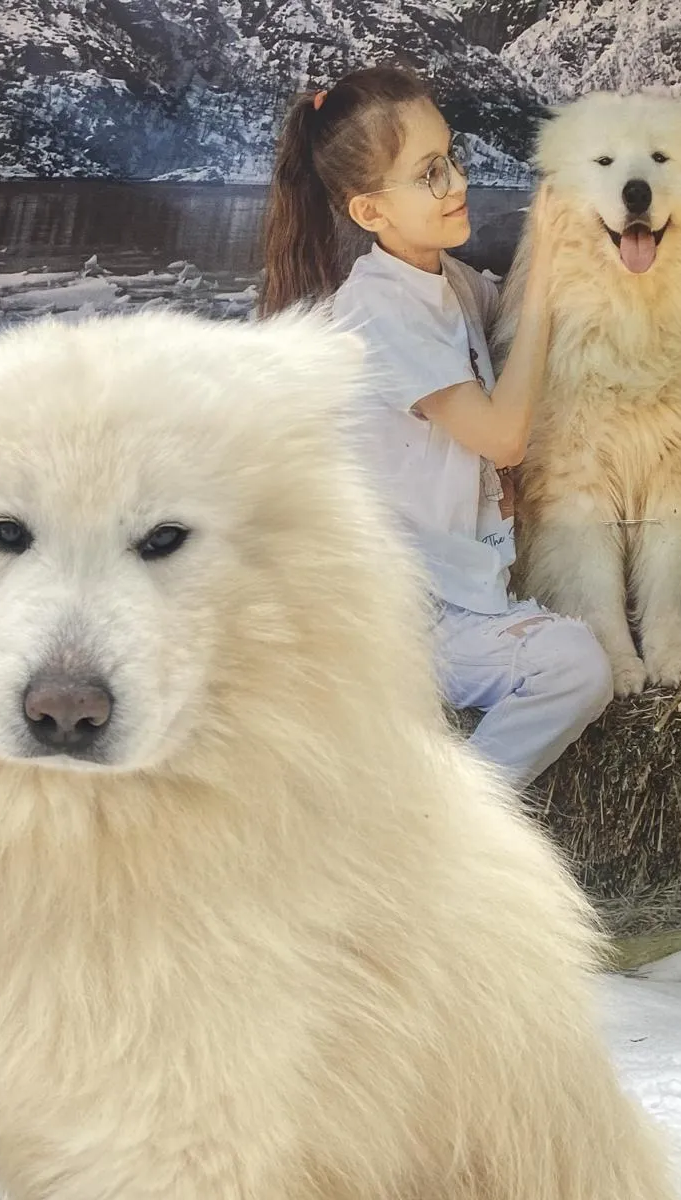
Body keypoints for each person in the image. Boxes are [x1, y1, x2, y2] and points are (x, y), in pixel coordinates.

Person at [259, 66, 613, 787]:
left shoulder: (449, 282)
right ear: (370, 211)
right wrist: (544, 266)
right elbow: (504, 435)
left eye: (453, 157)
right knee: (576, 667)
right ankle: (449, 821)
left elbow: (511, 325)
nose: (458, 183)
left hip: (469, 586)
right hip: (411, 610)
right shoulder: (377, 310)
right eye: (429, 174)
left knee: (576, 639)